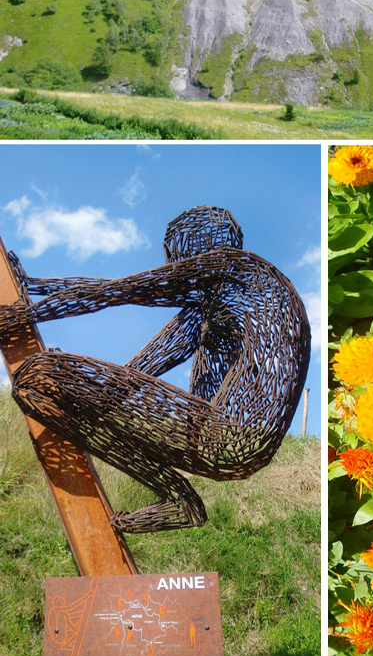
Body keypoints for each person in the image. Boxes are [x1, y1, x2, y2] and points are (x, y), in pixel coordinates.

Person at [0, 206, 310, 532]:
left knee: (40, 373)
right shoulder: (206, 313)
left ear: (192, 251)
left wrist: (20, 318)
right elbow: (134, 375)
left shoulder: (244, 272)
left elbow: (122, 290)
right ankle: (180, 499)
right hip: (226, 446)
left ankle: (173, 491)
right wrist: (84, 392)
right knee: (39, 390)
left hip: (226, 435)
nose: (172, 267)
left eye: (175, 258)